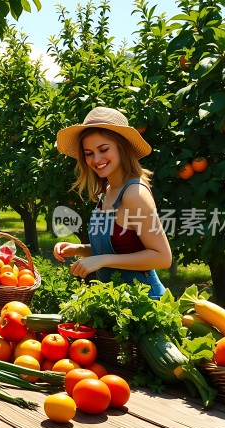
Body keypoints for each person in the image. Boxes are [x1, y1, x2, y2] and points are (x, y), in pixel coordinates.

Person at [53, 107, 172, 299]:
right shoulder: (108, 190)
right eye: (89, 153)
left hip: (145, 302)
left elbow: (163, 257)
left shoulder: (134, 193)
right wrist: (79, 250)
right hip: (118, 301)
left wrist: (102, 260)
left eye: (104, 150)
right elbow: (120, 248)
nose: (96, 159)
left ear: (122, 148)